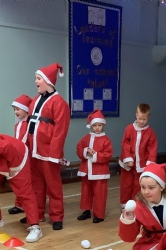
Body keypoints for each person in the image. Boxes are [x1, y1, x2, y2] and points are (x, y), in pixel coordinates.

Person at [22, 62, 71, 231]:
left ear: (48, 80)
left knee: (53, 186)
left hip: (48, 153)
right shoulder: (35, 100)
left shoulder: (59, 103)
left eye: (38, 78)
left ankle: (57, 216)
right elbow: (28, 125)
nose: (35, 81)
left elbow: (60, 131)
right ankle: (37, 214)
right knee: (36, 186)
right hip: (33, 151)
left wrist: (54, 154)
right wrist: (25, 147)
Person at [76, 110, 113, 223]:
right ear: (91, 126)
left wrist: (95, 155)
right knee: (86, 192)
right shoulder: (86, 138)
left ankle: (99, 214)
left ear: (103, 125)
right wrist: (86, 150)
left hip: (100, 172)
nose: (97, 128)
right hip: (87, 170)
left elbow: (108, 154)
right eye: (95, 125)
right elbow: (79, 149)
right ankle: (86, 211)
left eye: (99, 125)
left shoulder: (106, 140)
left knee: (100, 194)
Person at [119, 103, 157, 208]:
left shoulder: (150, 132)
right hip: (128, 164)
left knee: (138, 186)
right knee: (126, 185)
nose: (141, 121)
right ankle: (125, 206)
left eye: (144, 119)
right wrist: (128, 159)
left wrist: (149, 164)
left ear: (148, 118)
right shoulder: (129, 129)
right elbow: (125, 144)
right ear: (136, 115)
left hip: (141, 165)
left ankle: (136, 206)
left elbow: (152, 149)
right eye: (140, 118)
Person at [7, 94, 32, 216]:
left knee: (27, 183)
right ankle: (19, 204)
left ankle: (27, 206)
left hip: (27, 157)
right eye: (14, 110)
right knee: (19, 181)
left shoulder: (29, 124)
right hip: (19, 156)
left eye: (18, 109)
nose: (15, 112)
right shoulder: (17, 125)